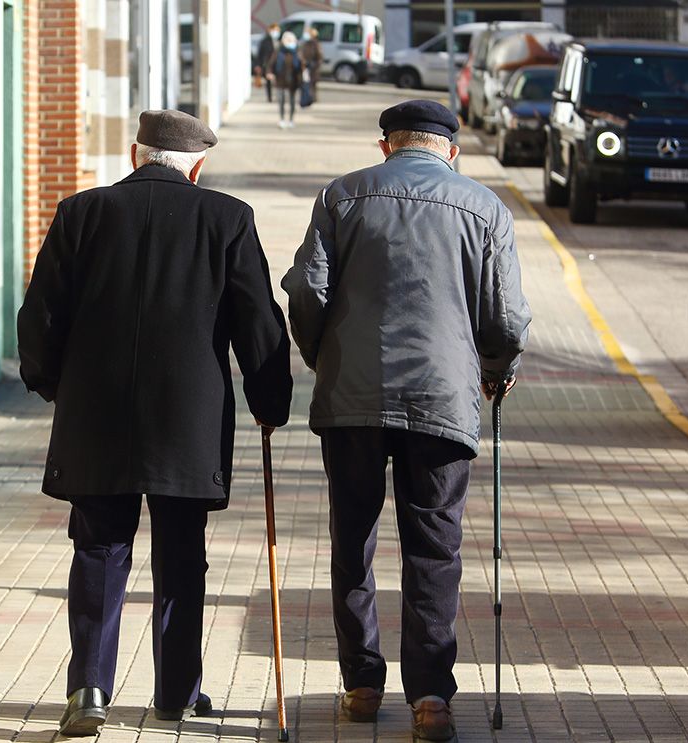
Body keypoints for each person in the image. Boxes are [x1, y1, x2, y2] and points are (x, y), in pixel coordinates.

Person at [18, 109, 293, 738]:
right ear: (196, 166)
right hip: (186, 419)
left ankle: (88, 688)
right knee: (180, 551)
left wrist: (55, 384)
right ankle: (176, 691)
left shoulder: (80, 213)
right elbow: (259, 322)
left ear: (135, 154)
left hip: (97, 414)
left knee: (99, 546)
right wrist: (269, 401)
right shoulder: (227, 219)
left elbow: (38, 319)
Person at [281, 100, 531, 742]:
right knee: (434, 549)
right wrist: (495, 370)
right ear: (451, 150)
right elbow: (505, 319)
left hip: (353, 400)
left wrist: (322, 357)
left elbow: (307, 292)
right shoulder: (486, 208)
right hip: (443, 402)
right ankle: (430, 700)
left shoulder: (342, 197)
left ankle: (362, 685)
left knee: (352, 540)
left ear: (386, 145)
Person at [267, 31, 303, 128]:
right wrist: (270, 73)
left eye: (291, 40)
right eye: (287, 40)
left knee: (292, 101)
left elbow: (301, 66)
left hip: (293, 80)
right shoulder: (279, 52)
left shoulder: (297, 52)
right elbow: (271, 64)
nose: (289, 42)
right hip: (280, 80)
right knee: (281, 100)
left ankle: (291, 120)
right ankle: (282, 119)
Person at [257, 24, 280, 102]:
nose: (276, 32)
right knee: (269, 81)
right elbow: (260, 53)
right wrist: (259, 65)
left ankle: (278, 96)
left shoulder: (278, 41)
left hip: (277, 63)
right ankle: (269, 97)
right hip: (268, 64)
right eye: (274, 30)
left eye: (277, 30)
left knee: (278, 81)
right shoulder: (265, 41)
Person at [300, 27, 323, 103]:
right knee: (306, 82)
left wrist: (315, 65)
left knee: (312, 83)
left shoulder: (315, 44)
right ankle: (307, 97)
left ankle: (312, 98)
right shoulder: (305, 43)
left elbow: (319, 56)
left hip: (313, 67)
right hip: (305, 66)